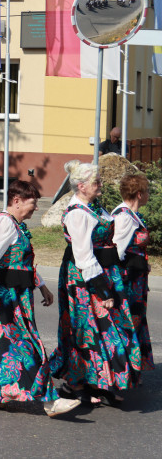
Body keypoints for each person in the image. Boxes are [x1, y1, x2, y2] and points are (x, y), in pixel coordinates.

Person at [0, 180, 80, 417]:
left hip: (16, 296)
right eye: (33, 203)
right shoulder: (4, 223)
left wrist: (41, 286)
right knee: (26, 348)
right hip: (3, 298)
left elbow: (20, 262)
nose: (35, 208)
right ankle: (50, 401)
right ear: (16, 201)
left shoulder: (15, 225)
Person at [49, 162, 141, 406]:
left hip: (106, 272)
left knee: (106, 329)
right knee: (89, 330)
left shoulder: (93, 207)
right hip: (85, 279)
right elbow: (83, 256)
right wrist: (101, 289)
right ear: (82, 186)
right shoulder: (78, 213)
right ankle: (76, 384)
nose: (101, 185)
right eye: (96, 182)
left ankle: (100, 383)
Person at [112, 172, 154, 374]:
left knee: (135, 321)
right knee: (127, 322)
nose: (148, 196)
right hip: (127, 282)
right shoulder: (123, 217)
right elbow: (116, 251)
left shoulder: (132, 214)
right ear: (139, 194)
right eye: (146, 192)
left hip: (136, 280)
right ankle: (123, 370)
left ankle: (131, 368)